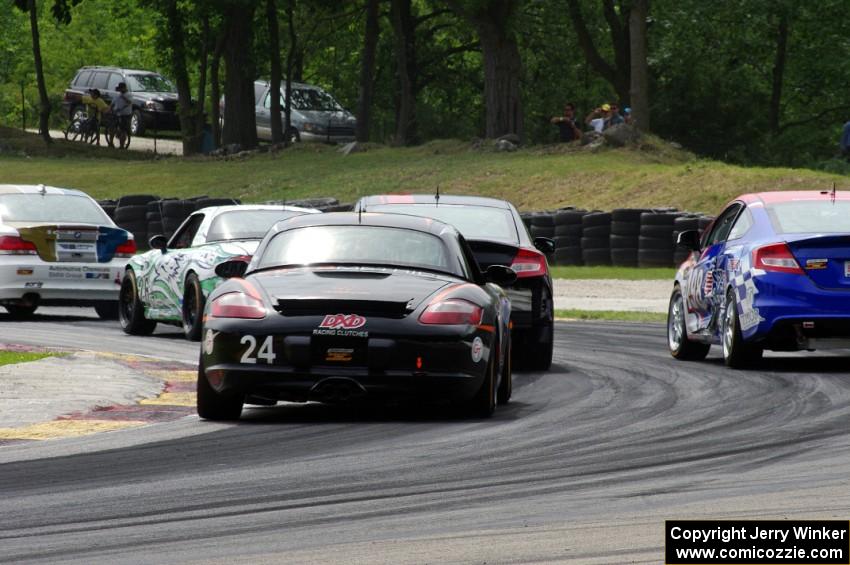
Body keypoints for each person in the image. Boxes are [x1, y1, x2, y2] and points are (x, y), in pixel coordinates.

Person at [109, 82, 133, 148]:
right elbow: (113, 103)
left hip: (125, 114)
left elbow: (130, 102)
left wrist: (123, 97)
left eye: (121, 88)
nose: (120, 90)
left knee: (123, 130)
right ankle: (110, 142)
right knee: (112, 127)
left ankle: (122, 145)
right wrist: (110, 109)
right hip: (116, 113)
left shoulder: (129, 94)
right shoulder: (117, 95)